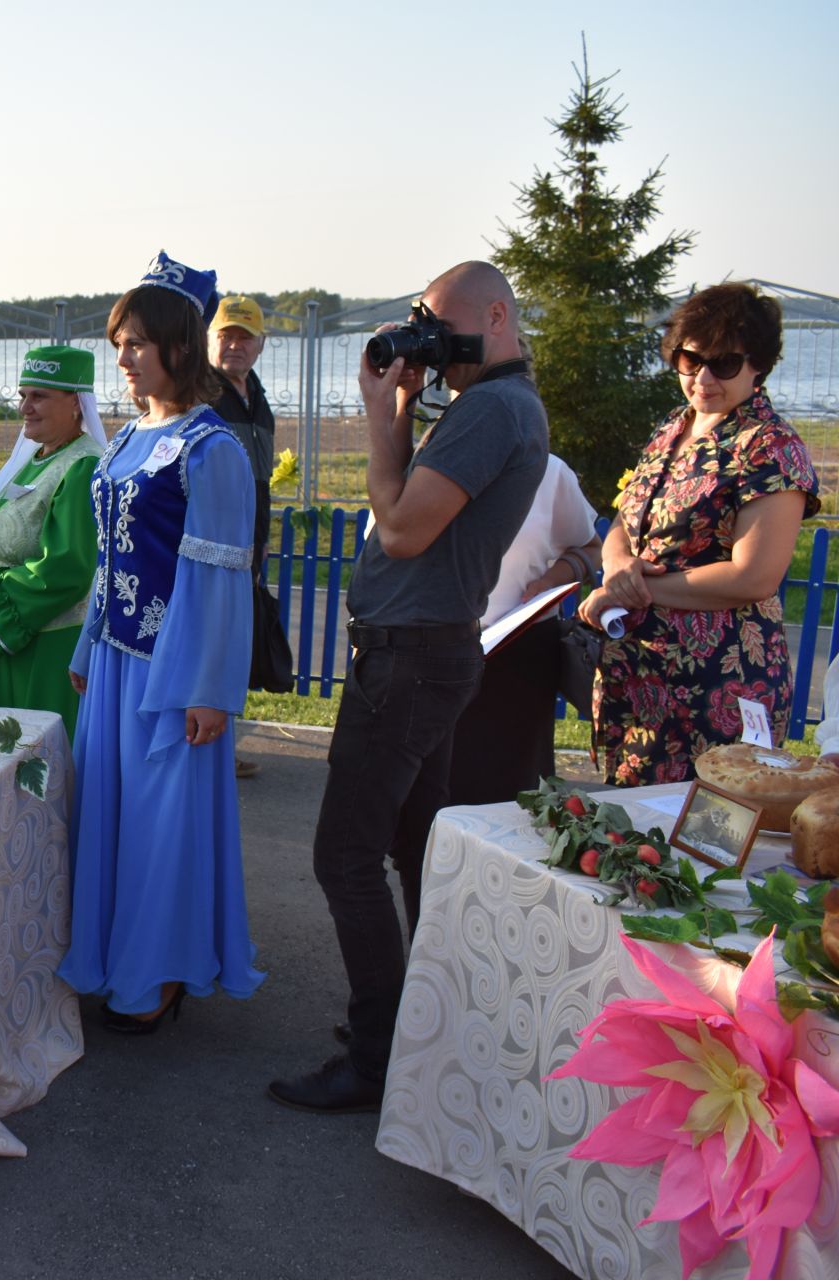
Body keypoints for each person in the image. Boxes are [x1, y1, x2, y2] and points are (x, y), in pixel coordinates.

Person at [268, 261, 547, 1114]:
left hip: (411, 661)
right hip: (423, 655)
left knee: (343, 855)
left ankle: (381, 1056)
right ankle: (420, 1030)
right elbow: (406, 522)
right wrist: (394, 406)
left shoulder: (494, 408)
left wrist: (377, 418)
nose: (431, 341)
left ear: (495, 318)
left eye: (441, 325)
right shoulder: (485, 406)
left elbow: (398, 532)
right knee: (412, 847)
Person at [57, 253, 258, 1033]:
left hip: (172, 672)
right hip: (113, 662)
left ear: (178, 344)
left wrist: (207, 687)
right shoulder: (128, 440)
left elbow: (219, 578)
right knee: (113, 817)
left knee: (162, 823)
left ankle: (160, 975)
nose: (123, 358)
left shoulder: (212, 450)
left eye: (137, 342)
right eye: (118, 344)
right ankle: (112, 958)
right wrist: (86, 650)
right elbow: (111, 558)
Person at [579, 283, 818, 784]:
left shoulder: (771, 447)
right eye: (690, 360)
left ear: (758, 364)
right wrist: (618, 566)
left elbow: (753, 577)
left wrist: (627, 591)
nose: (703, 377)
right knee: (628, 838)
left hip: (720, 690)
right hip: (640, 680)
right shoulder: (674, 425)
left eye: (724, 364)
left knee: (702, 848)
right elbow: (626, 517)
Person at [0, 345, 103, 732]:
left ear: (77, 404)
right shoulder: (32, 460)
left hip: (46, 645)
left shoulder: (82, 466)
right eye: (22, 396)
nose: (24, 408)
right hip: (2, 632)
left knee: (34, 753)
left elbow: (67, 568)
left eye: (40, 397)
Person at [445, 452, 600, 804]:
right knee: (428, 804)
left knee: (509, 798)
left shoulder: (548, 470)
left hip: (518, 656)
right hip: (429, 654)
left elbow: (590, 548)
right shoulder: (423, 465)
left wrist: (550, 580)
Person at [207, 296, 278, 779]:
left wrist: (262, 536)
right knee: (211, 647)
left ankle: (219, 746)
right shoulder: (203, 394)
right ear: (210, 341)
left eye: (244, 337)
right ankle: (210, 750)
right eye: (226, 335)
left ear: (260, 345)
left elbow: (259, 479)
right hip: (211, 546)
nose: (235, 345)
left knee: (233, 647)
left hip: (248, 547)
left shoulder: (258, 398)